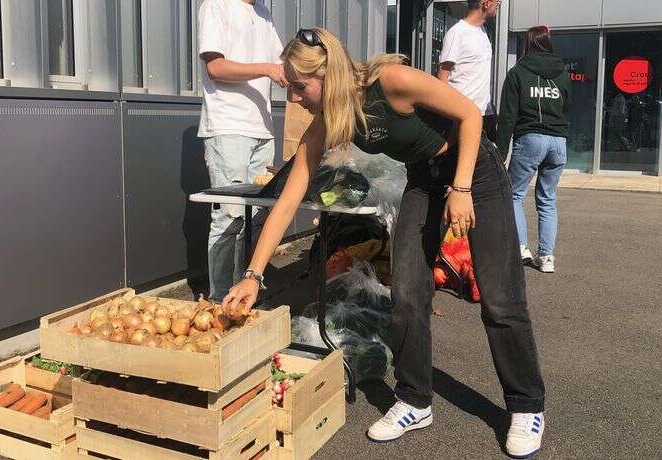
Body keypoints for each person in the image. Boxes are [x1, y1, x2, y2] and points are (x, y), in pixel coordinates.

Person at [223, 28, 546, 458]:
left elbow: (470, 114)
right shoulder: (328, 122)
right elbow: (287, 202)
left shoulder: (392, 81)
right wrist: (252, 275)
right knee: (408, 294)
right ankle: (415, 399)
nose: (295, 98)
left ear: (327, 75)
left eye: (300, 87)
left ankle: (526, 405)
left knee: (500, 298)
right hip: (423, 181)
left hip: (475, 173)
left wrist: (463, 187)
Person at [197, 0, 288, 301]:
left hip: (263, 128)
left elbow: (283, 62)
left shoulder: (263, 13)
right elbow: (215, 67)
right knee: (229, 216)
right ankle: (219, 299)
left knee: (258, 217)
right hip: (228, 128)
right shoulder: (216, 6)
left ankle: (244, 293)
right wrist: (267, 69)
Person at [497, 25, 571, 273]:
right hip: (558, 141)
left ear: (527, 44)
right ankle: (547, 257)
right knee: (548, 199)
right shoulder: (562, 74)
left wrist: (502, 149)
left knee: (515, 194)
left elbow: (508, 115)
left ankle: (520, 247)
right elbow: (567, 105)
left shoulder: (518, 72)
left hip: (530, 138)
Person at [438, 0, 500, 142]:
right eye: (497, 2)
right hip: (460, 116)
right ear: (486, 3)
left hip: (482, 113)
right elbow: (442, 77)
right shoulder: (457, 32)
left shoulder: (483, 32)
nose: (498, 5)